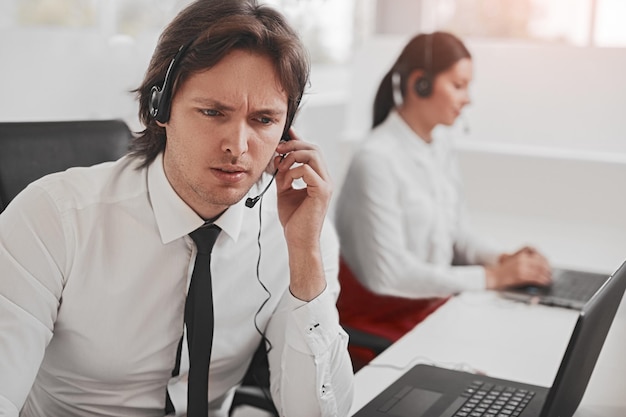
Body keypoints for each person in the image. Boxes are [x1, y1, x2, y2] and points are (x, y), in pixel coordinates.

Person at [0, 1, 354, 416]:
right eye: (212, 112)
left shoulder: (299, 233)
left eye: (262, 120)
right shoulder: (53, 219)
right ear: (160, 108)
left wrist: (305, 260)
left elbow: (317, 413)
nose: (238, 147)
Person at [334, 32, 552, 367]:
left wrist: (504, 259)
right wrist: (493, 277)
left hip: (432, 308)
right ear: (419, 84)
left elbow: (457, 234)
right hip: (382, 327)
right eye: (459, 85)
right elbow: (388, 275)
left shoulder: (440, 146)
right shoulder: (375, 159)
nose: (468, 99)